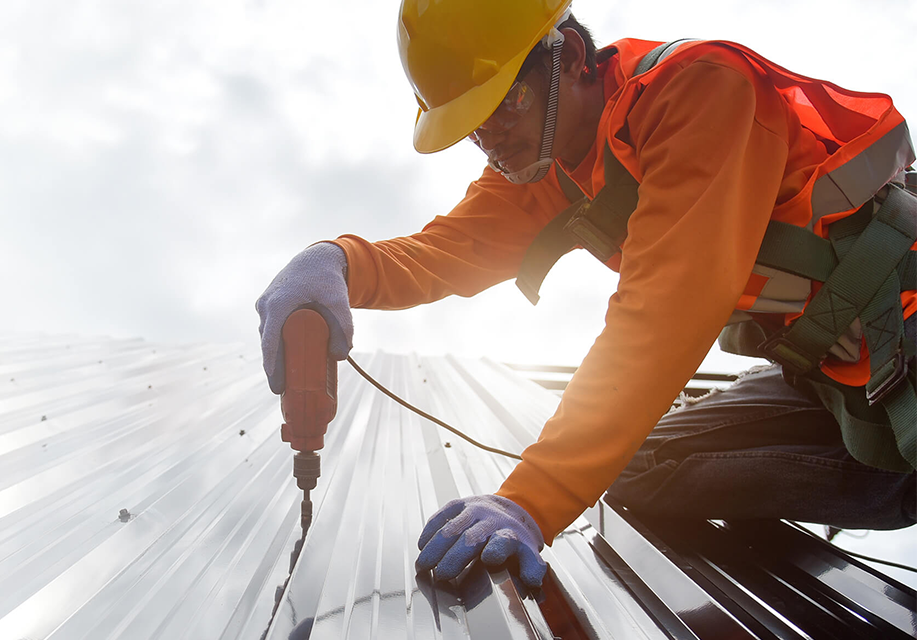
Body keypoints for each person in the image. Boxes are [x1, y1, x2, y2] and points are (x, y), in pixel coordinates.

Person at [256, 0, 917, 589]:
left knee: (582, 475)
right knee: (636, 468)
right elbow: (444, 251)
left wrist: (533, 500)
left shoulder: (701, 90)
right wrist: (339, 262)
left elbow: (663, 313)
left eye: (503, 107)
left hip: (905, 345)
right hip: (829, 379)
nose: (493, 142)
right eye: (474, 129)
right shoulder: (547, 168)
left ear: (570, 57)